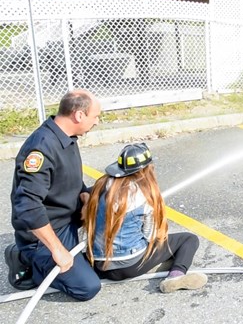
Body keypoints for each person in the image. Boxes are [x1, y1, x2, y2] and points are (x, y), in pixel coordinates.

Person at [6, 90, 103, 300]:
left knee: (108, 194)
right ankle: (25, 259)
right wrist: (57, 249)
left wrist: (85, 196)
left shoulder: (67, 137)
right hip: (43, 234)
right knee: (87, 287)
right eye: (95, 116)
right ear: (79, 115)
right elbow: (27, 206)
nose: (97, 121)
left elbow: (65, 179)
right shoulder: (41, 148)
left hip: (66, 217)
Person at [84, 143, 206, 293]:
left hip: (99, 264)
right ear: (147, 169)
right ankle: (175, 276)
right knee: (188, 239)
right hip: (130, 266)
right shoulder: (143, 196)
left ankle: (156, 265)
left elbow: (87, 196)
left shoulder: (101, 186)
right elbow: (151, 236)